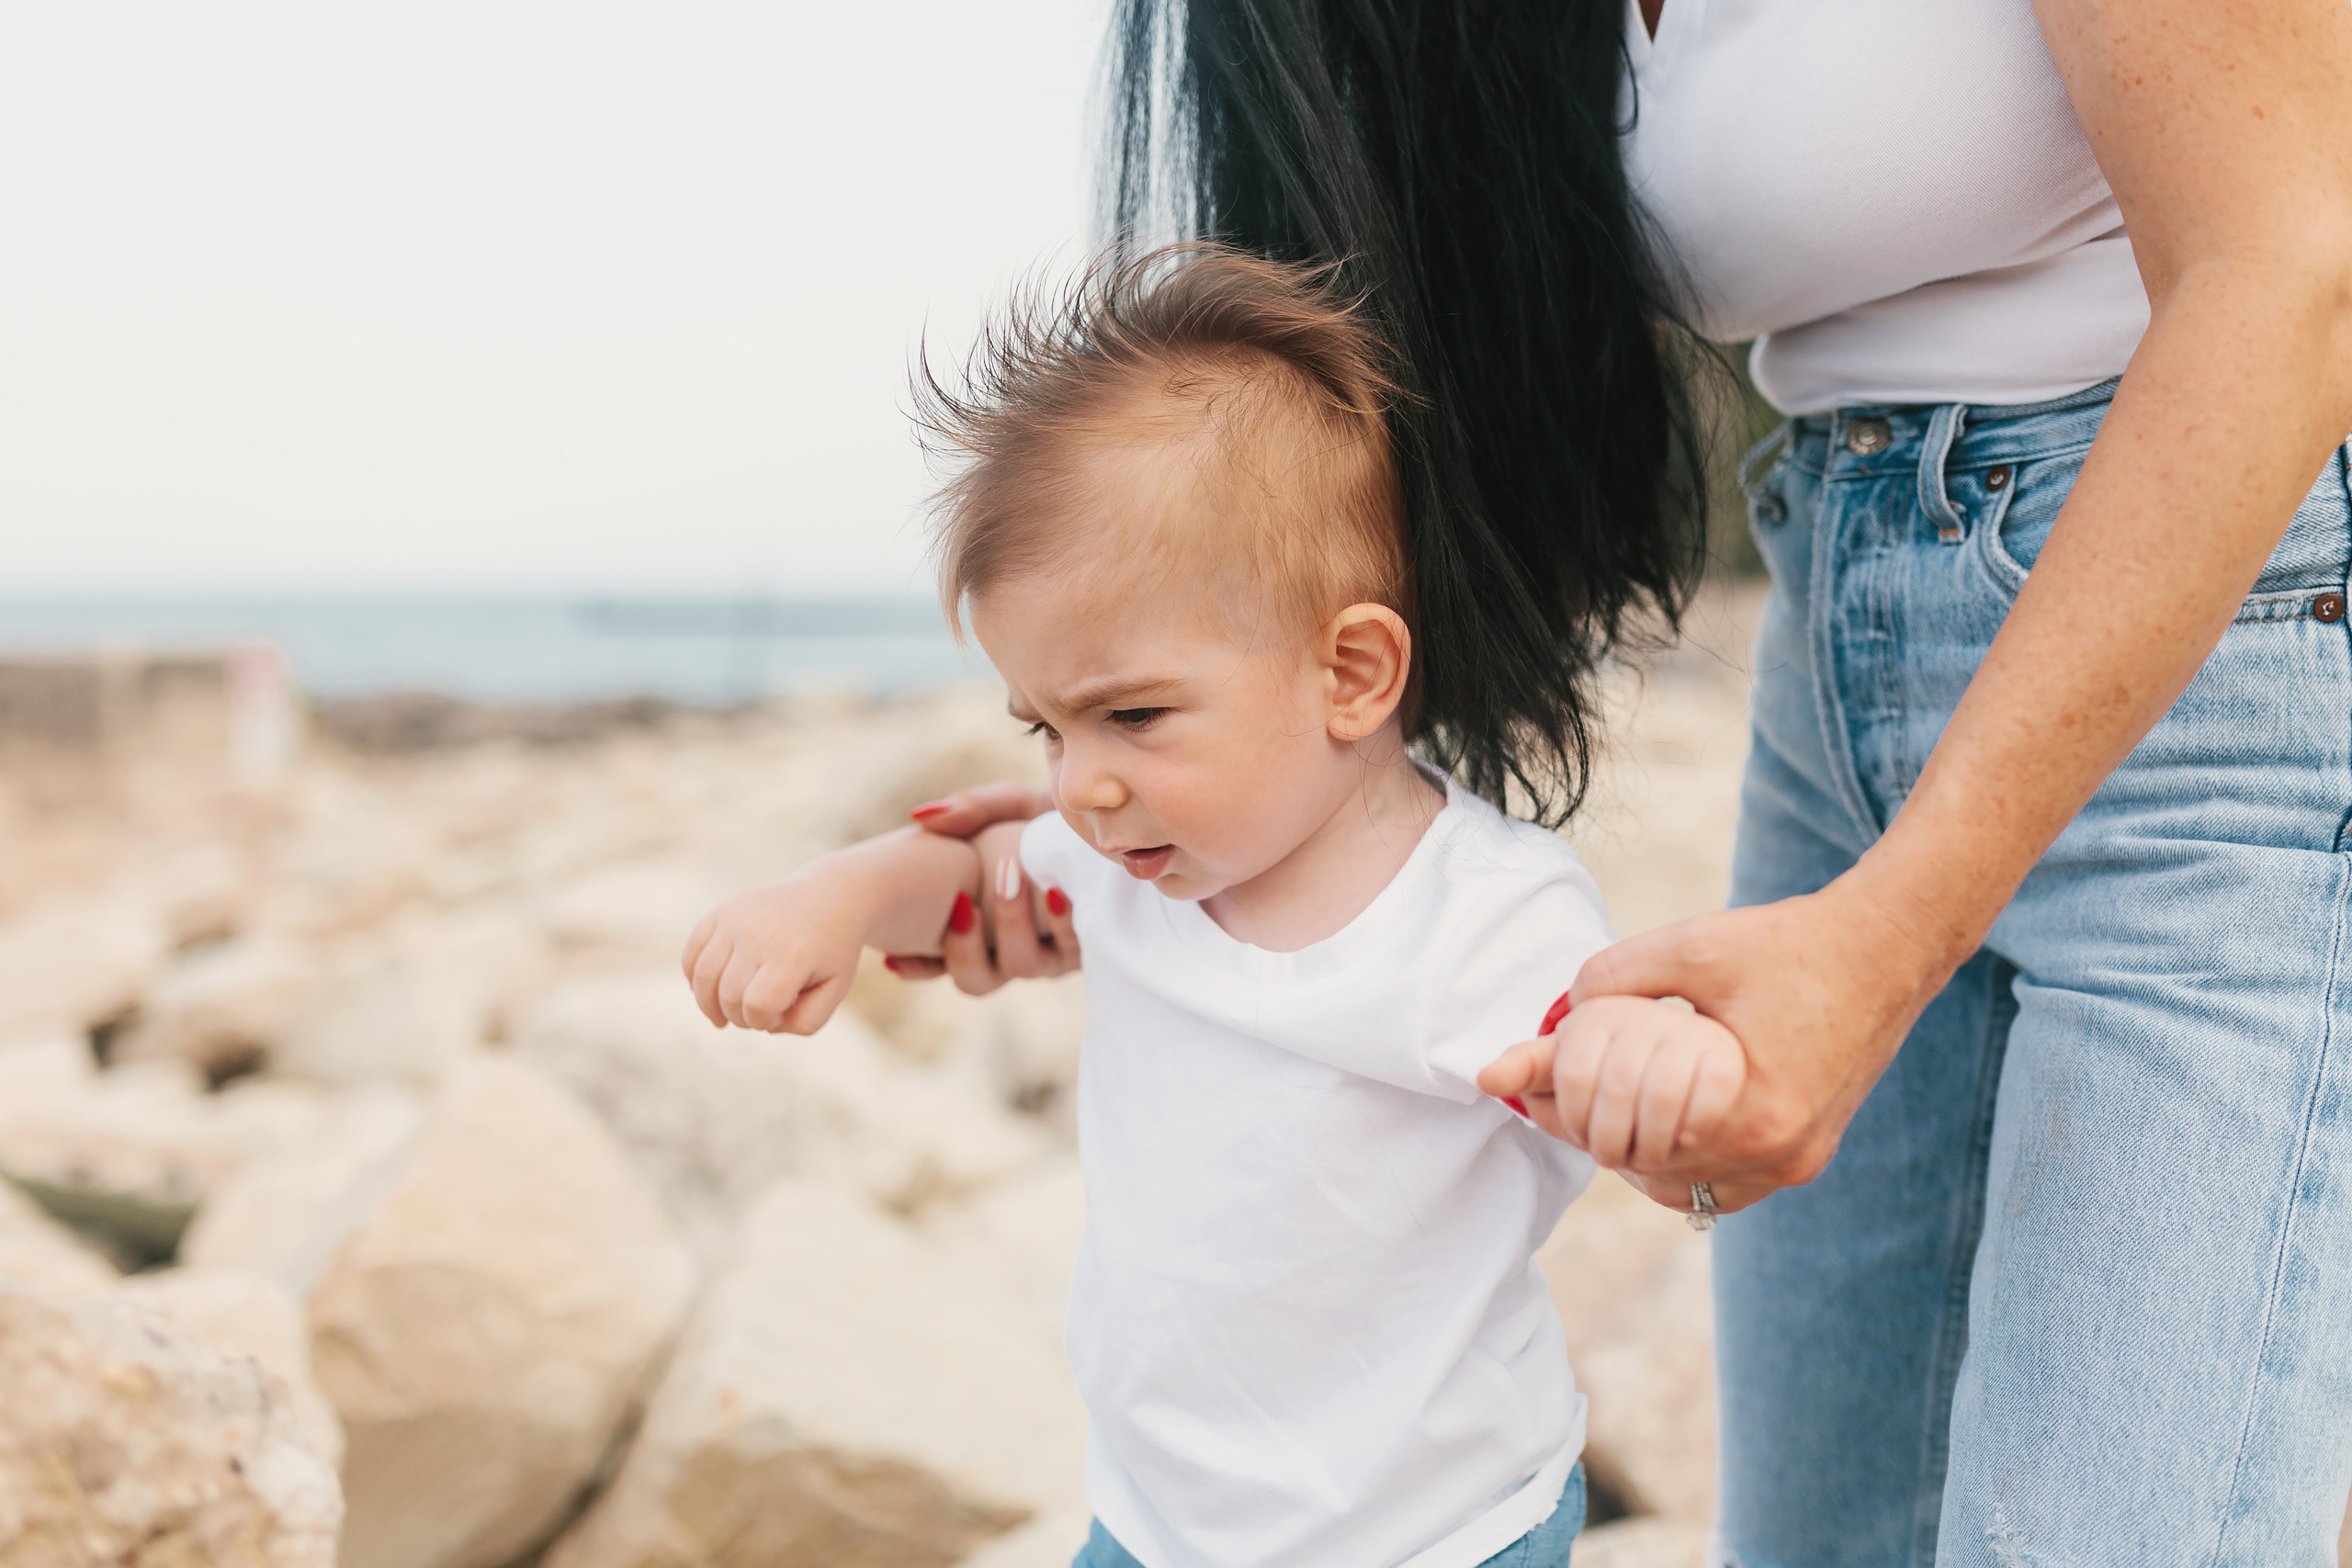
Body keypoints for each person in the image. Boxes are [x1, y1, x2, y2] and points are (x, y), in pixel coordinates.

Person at [904, 1, 2352, 1562]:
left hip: (2213, 647)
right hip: (1835, 601)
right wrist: (1189, 810)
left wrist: (1886, 942)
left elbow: (2298, 265)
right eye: (1049, 724)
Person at [681, 246, 1743, 1568]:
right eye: (1047, 726)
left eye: (1132, 715)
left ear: (1350, 673)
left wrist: (1660, 1058)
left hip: (1433, 1530)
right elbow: (967, 881)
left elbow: (1616, 1060)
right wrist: (833, 896)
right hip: (1162, 1514)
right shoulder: (1131, 867)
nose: (1083, 783)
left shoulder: (1479, 915)